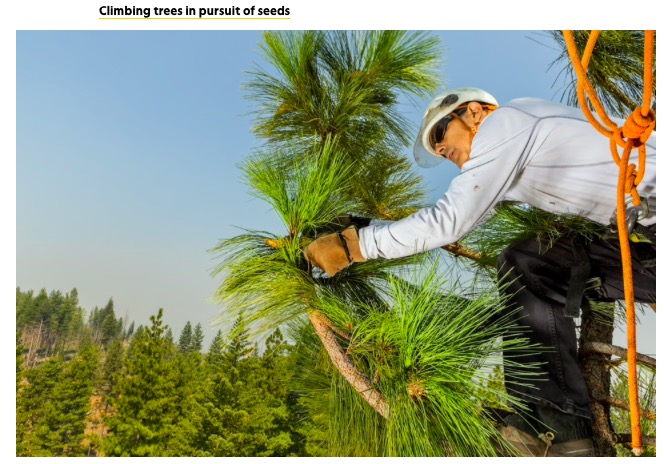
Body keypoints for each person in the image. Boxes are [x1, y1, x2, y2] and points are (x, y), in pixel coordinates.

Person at [303, 88, 656, 457]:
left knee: (533, 262)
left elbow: (450, 221)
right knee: (535, 261)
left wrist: (352, 247)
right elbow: (458, 216)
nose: (439, 150)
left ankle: (558, 422)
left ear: (474, 112)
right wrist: (366, 225)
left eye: (439, 133)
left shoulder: (505, 123)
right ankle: (561, 430)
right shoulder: (517, 145)